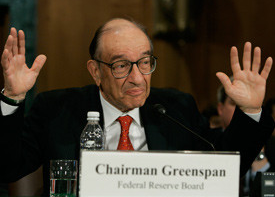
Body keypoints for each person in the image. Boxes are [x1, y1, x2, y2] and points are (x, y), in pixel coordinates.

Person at [0, 18, 274, 195]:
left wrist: (250, 111)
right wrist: (13, 97)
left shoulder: (176, 108)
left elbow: (226, 165)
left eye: (145, 63)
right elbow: (8, 167)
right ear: (95, 71)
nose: (137, 78)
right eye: (121, 65)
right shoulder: (56, 109)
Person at [217, 79, 275, 196]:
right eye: (235, 103)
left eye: (247, 102)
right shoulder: (206, 144)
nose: (241, 109)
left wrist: (260, 165)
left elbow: (270, 193)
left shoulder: (272, 147)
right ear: (220, 108)